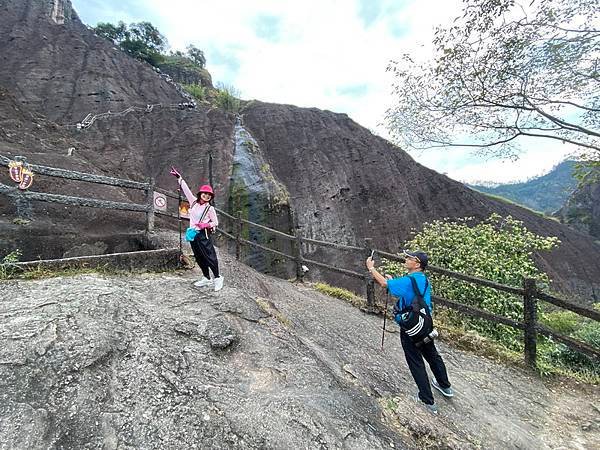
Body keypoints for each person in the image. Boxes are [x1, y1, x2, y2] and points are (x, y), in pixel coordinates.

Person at [366, 250, 453, 414]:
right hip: (425, 322)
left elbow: (384, 284)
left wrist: (371, 268)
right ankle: (445, 386)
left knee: (415, 360)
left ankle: (427, 401)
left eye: (410, 258)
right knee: (432, 354)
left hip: (410, 327)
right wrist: (393, 282)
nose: (406, 259)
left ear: (417, 264)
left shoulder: (409, 280)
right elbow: (404, 291)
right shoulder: (423, 279)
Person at [170, 167, 224, 292]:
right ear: (200, 194)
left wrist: (205, 225)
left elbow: (215, 222)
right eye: (205, 194)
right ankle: (206, 277)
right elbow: (186, 190)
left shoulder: (210, 209)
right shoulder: (193, 202)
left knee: (209, 256)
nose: (206, 196)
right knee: (199, 256)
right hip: (193, 234)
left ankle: (217, 277)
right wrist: (179, 178)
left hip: (203, 234)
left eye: (209, 195)